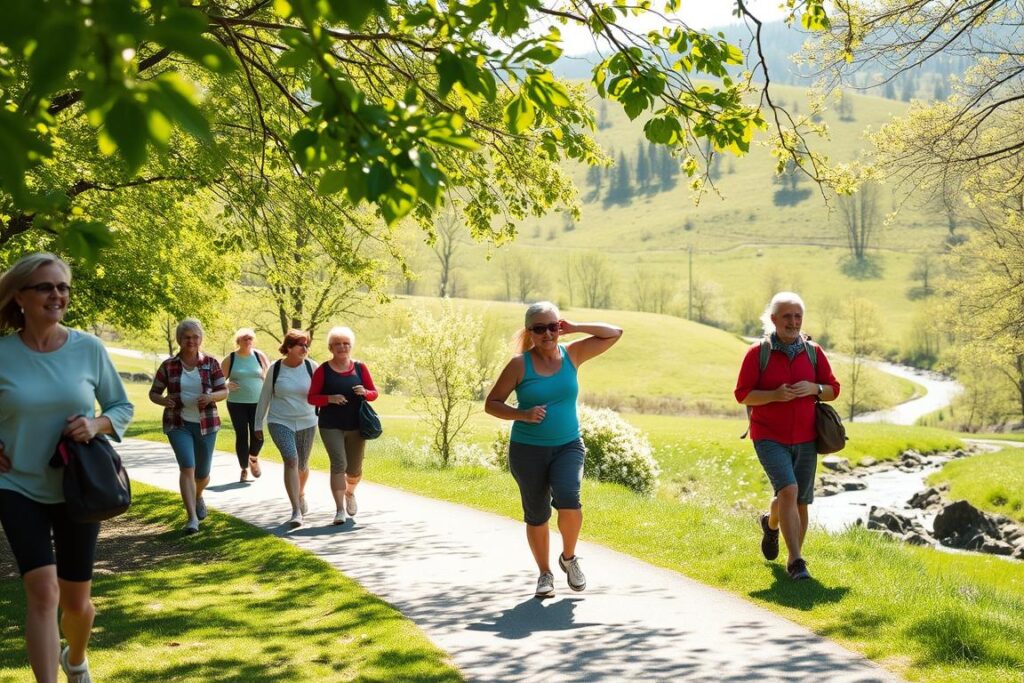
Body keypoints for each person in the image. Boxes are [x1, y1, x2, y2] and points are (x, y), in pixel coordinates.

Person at [0, 252, 134, 683]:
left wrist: (96, 424)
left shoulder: (88, 348)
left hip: (78, 488)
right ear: (19, 296)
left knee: (77, 605)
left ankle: (74, 657)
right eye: (45, 287)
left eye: (63, 287)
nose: (57, 295)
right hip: (16, 485)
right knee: (42, 593)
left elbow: (121, 405)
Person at [485, 302, 622, 599]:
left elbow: (614, 333)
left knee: (570, 500)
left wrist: (576, 327)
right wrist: (522, 414)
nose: (547, 333)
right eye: (539, 328)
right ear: (529, 332)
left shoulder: (572, 353)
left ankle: (569, 559)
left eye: (553, 326)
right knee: (536, 514)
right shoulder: (519, 365)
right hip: (528, 451)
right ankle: (545, 574)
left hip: (568, 445)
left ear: (559, 326)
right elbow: (491, 404)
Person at [734, 291, 840, 581]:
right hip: (769, 437)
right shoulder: (758, 353)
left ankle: (771, 524)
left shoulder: (814, 352)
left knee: (798, 500)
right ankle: (796, 561)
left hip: (806, 437)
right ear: (773, 319)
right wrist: (774, 395)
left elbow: (833, 389)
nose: (793, 322)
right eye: (787, 316)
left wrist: (814, 388)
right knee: (789, 491)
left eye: (797, 316)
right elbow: (743, 394)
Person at [149, 319, 227, 535]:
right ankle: (192, 518)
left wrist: (210, 397)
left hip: (206, 424)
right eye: (186, 337)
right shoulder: (168, 365)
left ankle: (198, 494)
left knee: (203, 474)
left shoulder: (211, 363)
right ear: (179, 340)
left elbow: (224, 391)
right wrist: (163, 400)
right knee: (187, 467)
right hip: (178, 423)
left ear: (200, 339)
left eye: (195, 337)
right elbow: (153, 393)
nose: (191, 341)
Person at [307, 326, 378, 526]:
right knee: (339, 464)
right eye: (337, 344)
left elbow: (374, 393)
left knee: (354, 470)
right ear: (330, 348)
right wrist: (329, 398)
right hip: (330, 425)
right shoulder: (323, 370)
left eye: (346, 343)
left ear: (351, 346)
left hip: (356, 426)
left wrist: (365, 392)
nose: (342, 347)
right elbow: (311, 398)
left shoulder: (360, 368)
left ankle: (350, 493)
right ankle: (339, 510)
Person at [255, 329, 318, 529]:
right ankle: (295, 510)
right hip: (280, 421)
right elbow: (264, 396)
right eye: (301, 345)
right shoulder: (276, 369)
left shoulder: (312, 367)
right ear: (289, 347)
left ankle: (300, 493)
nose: (305, 349)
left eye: (307, 345)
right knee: (291, 460)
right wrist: (258, 424)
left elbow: (322, 393)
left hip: (307, 421)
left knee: (302, 465)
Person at [221, 328, 270, 482]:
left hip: (258, 403)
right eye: (245, 339)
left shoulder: (259, 356)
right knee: (242, 435)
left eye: (250, 338)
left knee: (258, 435)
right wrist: (226, 385)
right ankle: (244, 469)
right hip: (236, 403)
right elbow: (217, 380)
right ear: (238, 341)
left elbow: (269, 376)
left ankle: (253, 458)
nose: (248, 341)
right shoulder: (231, 358)